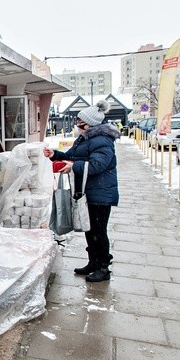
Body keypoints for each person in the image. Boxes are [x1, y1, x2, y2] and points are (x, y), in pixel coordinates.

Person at [43, 100, 119, 282]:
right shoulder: (86, 138)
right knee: (89, 229)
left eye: (80, 122)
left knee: (99, 231)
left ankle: (103, 267)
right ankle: (93, 262)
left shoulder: (102, 140)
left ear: (90, 123)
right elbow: (72, 156)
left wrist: (74, 166)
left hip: (101, 194)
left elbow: (98, 165)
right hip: (88, 192)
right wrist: (56, 155)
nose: (77, 125)